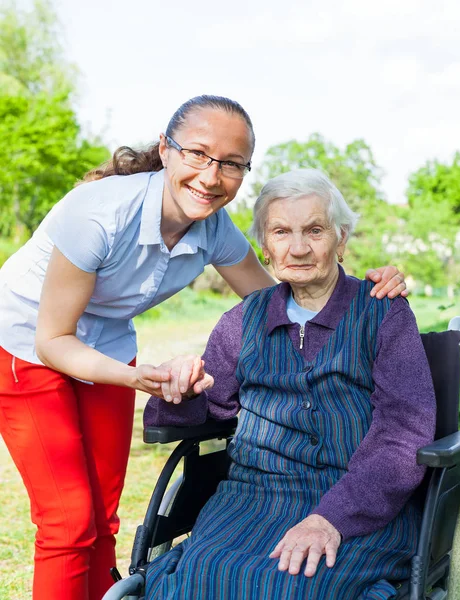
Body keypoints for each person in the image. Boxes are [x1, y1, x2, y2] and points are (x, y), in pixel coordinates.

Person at [0, 95, 406, 600]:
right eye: (197, 154)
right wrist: (146, 378)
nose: (211, 177)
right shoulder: (98, 213)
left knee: (102, 516)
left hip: (106, 340)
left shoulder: (213, 229)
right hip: (28, 343)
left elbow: (284, 298)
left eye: (232, 164)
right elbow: (53, 338)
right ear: (166, 150)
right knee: (67, 521)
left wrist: (371, 294)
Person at [143, 168, 436, 600]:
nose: (298, 247)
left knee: (289, 585)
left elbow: (403, 434)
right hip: (250, 499)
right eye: (281, 231)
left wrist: (332, 518)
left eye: (314, 230)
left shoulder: (383, 314)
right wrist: (181, 390)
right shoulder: (242, 322)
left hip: (357, 501)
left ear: (341, 239)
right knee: (195, 578)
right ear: (265, 246)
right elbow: (207, 411)